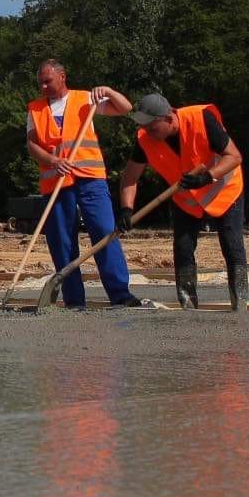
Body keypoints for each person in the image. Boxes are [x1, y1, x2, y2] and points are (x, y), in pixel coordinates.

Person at [24, 59, 154, 310]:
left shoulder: (85, 99)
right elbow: (32, 145)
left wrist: (108, 91)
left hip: (90, 178)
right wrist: (52, 161)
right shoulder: (35, 109)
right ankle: (74, 301)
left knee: (104, 232)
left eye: (47, 80)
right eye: (40, 81)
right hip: (57, 183)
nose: (43, 86)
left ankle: (120, 294)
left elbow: (125, 108)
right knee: (62, 241)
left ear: (62, 77)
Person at [120, 92, 247, 310]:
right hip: (185, 200)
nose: (147, 132)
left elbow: (234, 156)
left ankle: (240, 302)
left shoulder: (201, 119)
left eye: (152, 126)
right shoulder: (144, 139)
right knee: (183, 248)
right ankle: (188, 306)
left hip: (224, 192)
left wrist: (206, 177)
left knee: (232, 245)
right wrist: (126, 209)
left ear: (169, 118)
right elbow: (129, 177)